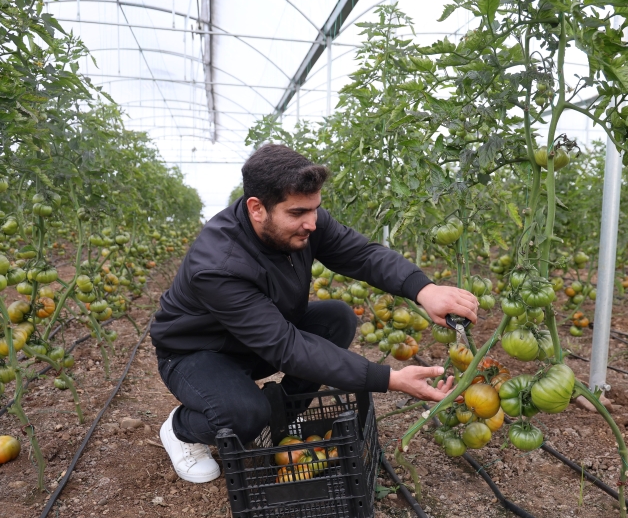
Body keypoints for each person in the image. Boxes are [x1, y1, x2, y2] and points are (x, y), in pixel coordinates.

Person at [150, 144, 478, 483]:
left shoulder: (305, 221)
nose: (311, 223)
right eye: (297, 213)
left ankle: (281, 418)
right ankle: (181, 430)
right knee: (244, 415)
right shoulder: (219, 265)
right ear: (257, 208)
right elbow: (286, 347)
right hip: (197, 353)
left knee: (337, 319)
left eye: (315, 209)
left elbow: (362, 255)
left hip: (252, 341)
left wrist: (424, 290)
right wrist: (389, 379)